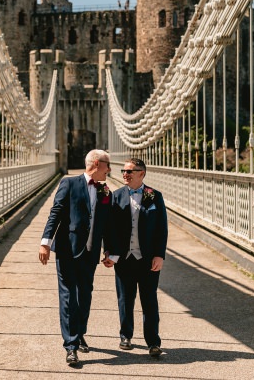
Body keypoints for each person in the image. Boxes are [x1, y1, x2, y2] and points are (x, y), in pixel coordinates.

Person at [38, 149, 113, 366]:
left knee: (85, 295)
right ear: (98, 164)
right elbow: (56, 213)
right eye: (107, 165)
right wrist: (45, 242)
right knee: (69, 296)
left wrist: (109, 250)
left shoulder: (105, 191)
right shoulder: (69, 184)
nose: (110, 170)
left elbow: (105, 224)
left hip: (90, 253)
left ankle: (80, 334)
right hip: (67, 250)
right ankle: (70, 346)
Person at [103, 157, 168, 357]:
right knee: (125, 299)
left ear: (142, 173)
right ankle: (125, 336)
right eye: (123, 171)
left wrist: (159, 255)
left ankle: (153, 342)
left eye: (130, 171)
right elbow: (109, 228)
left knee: (149, 301)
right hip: (124, 259)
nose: (125, 174)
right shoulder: (115, 196)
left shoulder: (154, 196)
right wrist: (109, 252)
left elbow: (161, 229)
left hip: (148, 259)